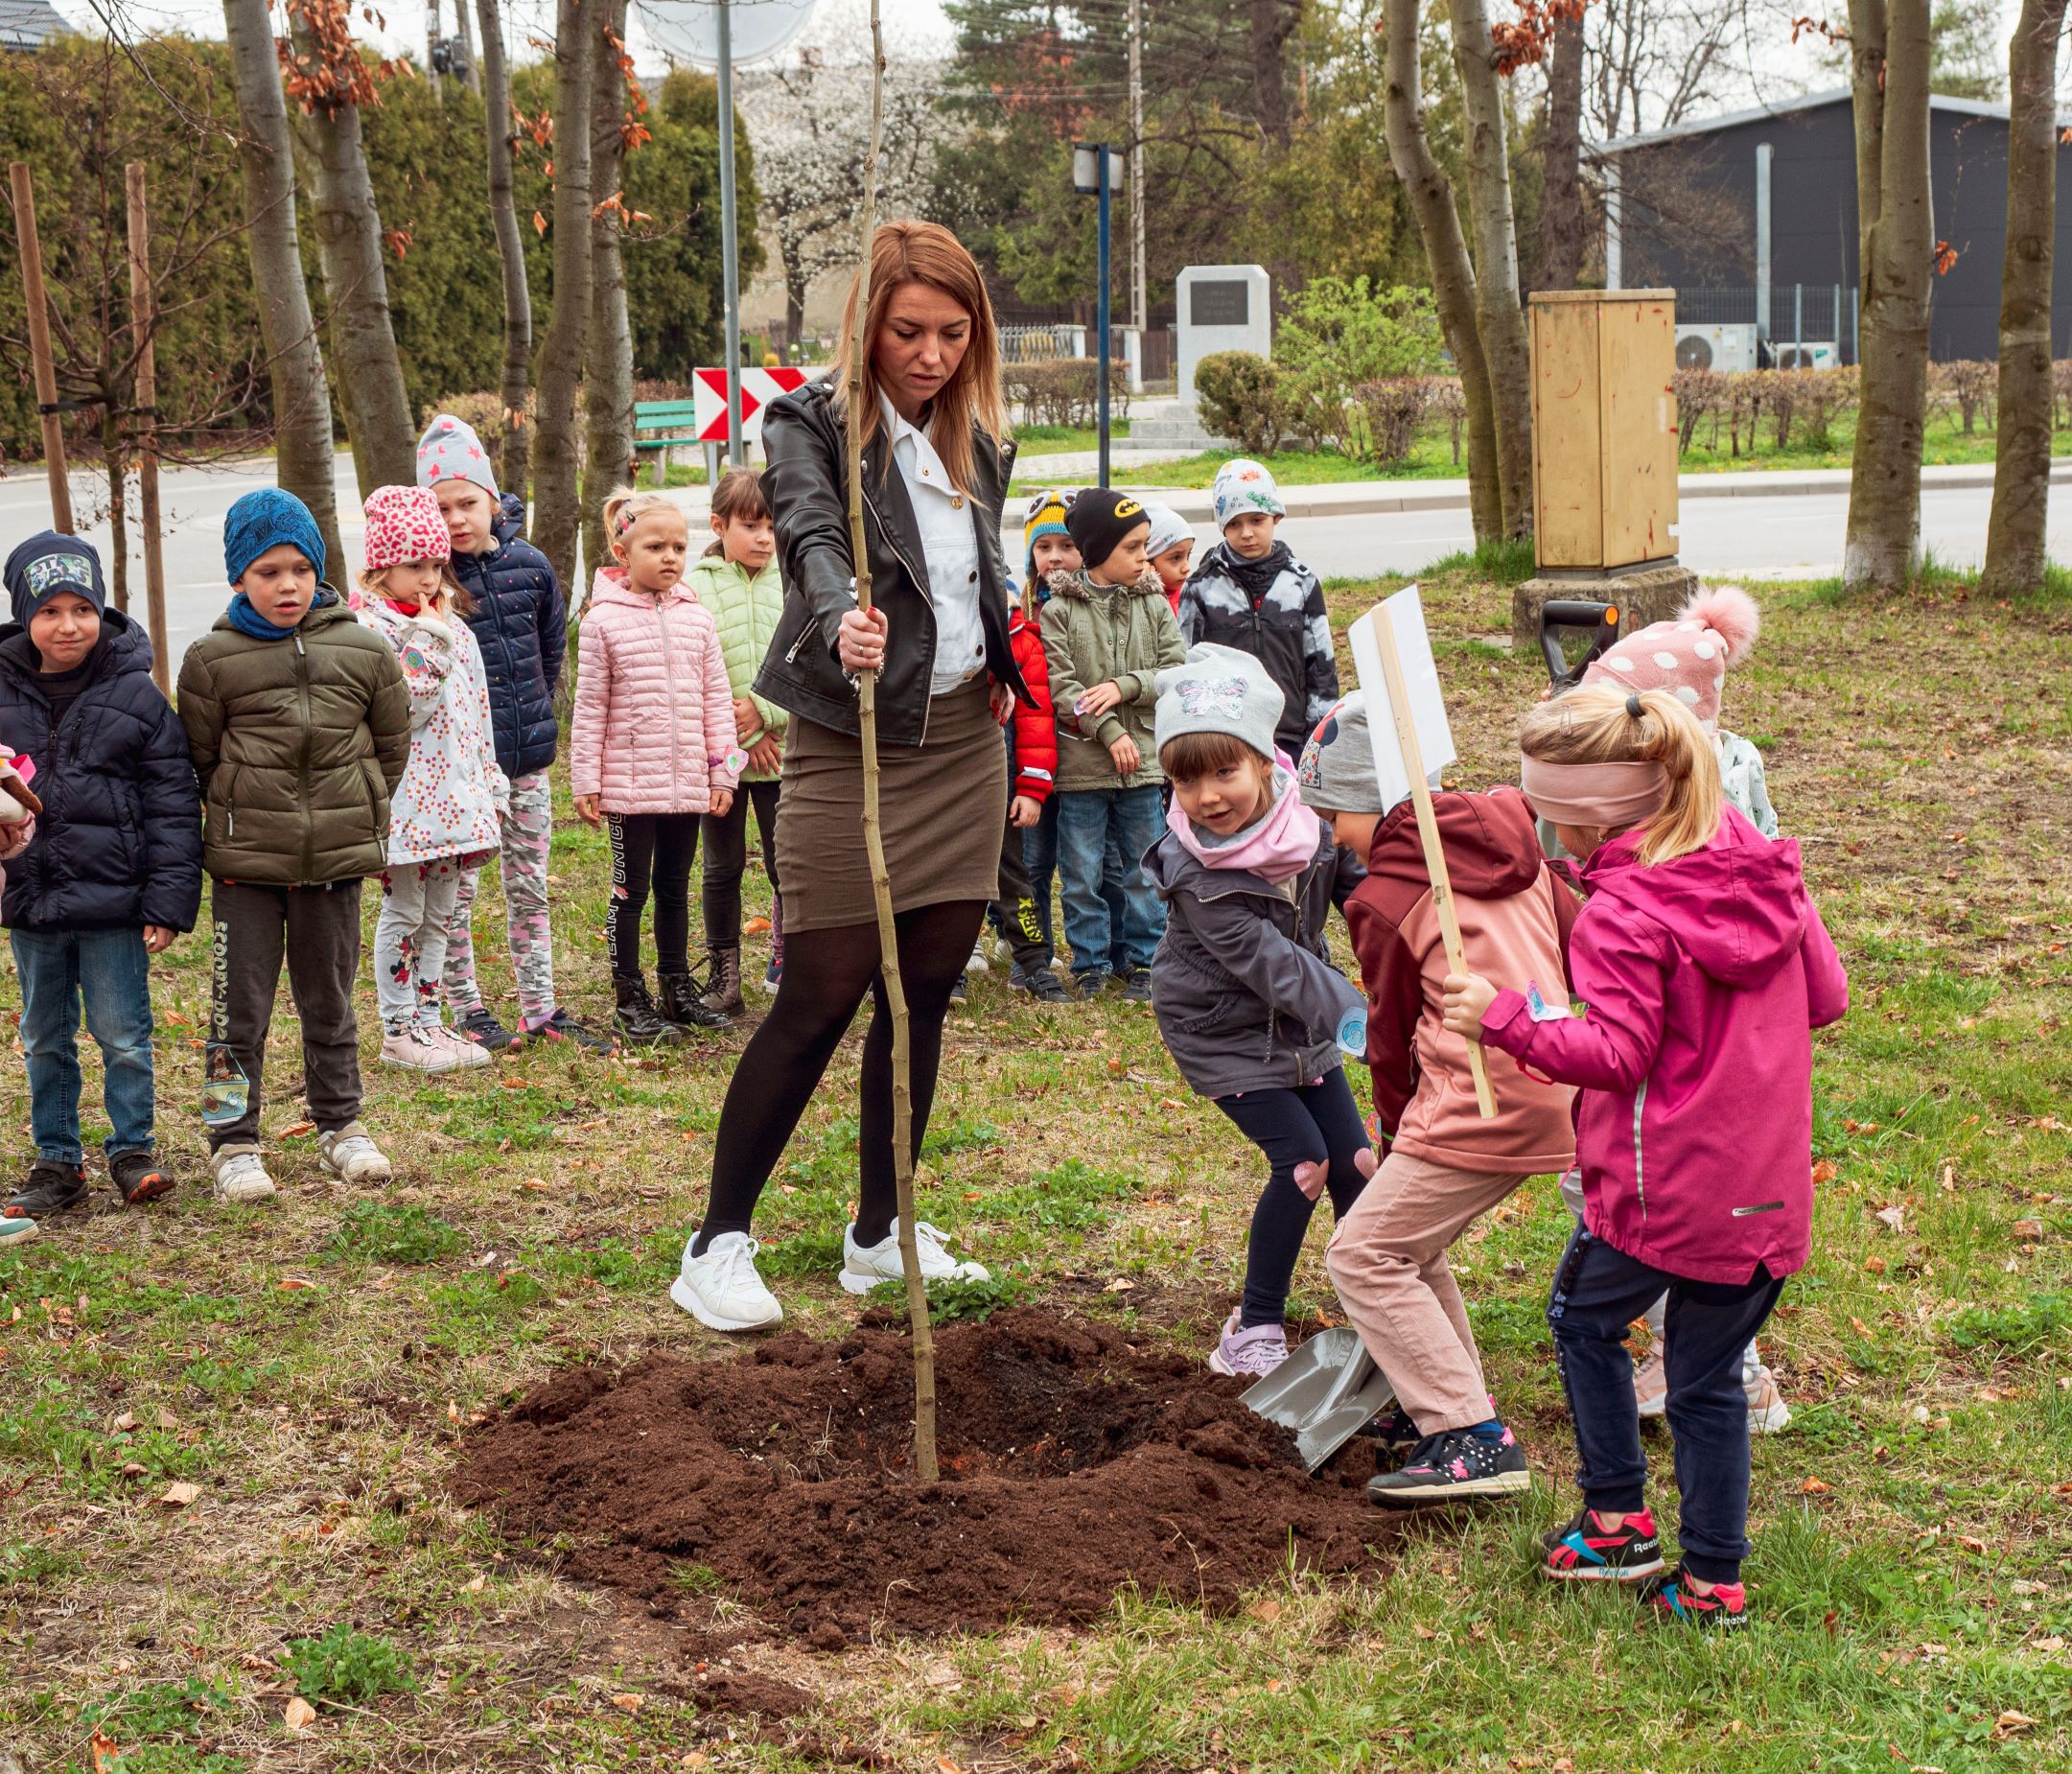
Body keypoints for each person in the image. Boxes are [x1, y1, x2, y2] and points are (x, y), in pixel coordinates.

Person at [670, 220, 1016, 1331]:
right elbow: (814, 530)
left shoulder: (978, 437)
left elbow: (978, 571)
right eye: (906, 330)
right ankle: (716, 1239)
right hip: (851, 740)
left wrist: (1004, 660)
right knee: (820, 988)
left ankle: (881, 1228)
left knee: (921, 996)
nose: (928, 354)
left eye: (952, 333)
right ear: (865, 322)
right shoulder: (810, 421)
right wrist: (836, 613)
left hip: (965, 739)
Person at [1443, 683, 1847, 1626]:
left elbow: (1615, 1054)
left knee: (1584, 1323)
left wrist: (1501, 1017)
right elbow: (1823, 994)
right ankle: (1711, 1578)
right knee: (1705, 1379)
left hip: (1664, 1193)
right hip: (1765, 1189)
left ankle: (1621, 1521)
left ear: (1581, 819)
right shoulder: (1760, 864)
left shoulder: (1623, 912)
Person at [1298, 692, 1579, 1506]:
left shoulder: (1386, 897)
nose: (1329, 833)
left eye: (1333, 813)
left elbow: (1387, 1037)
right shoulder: (1516, 848)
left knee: (1364, 1253)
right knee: (1407, 1248)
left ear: (1369, 799)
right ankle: (1452, 1407)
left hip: (1476, 1095)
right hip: (1555, 1068)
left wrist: (1394, 1129)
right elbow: (1574, 932)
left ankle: (1468, 1437)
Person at [1557, 585, 1787, 1431]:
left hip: (1670, 1007)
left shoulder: (1655, 800)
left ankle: (1713, 1371)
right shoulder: (1738, 762)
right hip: (1741, 1012)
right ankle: (1731, 1370)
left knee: (1639, 1204)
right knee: (1723, 1217)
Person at [1141, 643, 1372, 1377]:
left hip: (1300, 1024)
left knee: (1357, 1166)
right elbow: (1270, 964)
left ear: (1263, 761)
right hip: (1222, 1031)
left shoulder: (1310, 822)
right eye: (1184, 779)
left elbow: (1358, 890)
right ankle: (1254, 1327)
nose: (1206, 796)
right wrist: (1362, 1022)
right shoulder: (1193, 873)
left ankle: (1384, 1305)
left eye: (1222, 771)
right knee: (1304, 1163)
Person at [177, 489, 410, 1201]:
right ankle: (232, 1140)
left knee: (330, 1003)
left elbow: (389, 748)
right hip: (247, 872)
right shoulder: (212, 660)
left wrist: (349, 814)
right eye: (268, 572)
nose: (287, 585)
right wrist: (248, 818)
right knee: (233, 1014)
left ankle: (340, 1125)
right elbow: (203, 759)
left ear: (320, 570)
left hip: (333, 870)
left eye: (300, 569)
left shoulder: (366, 651)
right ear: (239, 579)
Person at [0, 535, 200, 1238]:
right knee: (45, 1035)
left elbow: (173, 803)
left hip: (115, 903)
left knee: (121, 1031)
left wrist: (168, 901)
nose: (67, 626)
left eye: (82, 608)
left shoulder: (136, 696)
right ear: (25, 615)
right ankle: (57, 1162)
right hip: (32, 901)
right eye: (49, 610)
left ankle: (131, 1150)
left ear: (102, 611)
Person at [419, 413, 607, 1054]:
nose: (454, 519)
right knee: (458, 890)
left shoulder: (530, 567)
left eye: (466, 502)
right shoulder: (430, 588)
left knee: (529, 886)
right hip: (462, 774)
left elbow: (551, 652)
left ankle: (540, 1006)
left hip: (526, 761)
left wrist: (531, 716)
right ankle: (465, 1006)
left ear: (492, 499)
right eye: (439, 508)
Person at [570, 488, 742, 1045]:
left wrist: (723, 771)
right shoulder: (603, 622)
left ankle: (675, 984)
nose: (670, 556)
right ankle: (629, 993)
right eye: (655, 546)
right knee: (630, 890)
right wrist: (587, 781)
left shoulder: (698, 619)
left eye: (678, 546)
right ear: (623, 554)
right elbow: (590, 706)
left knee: (675, 887)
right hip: (627, 790)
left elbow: (717, 700)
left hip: (687, 784)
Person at [354, 485, 506, 1075]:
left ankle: (428, 1016)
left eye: (435, 564)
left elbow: (477, 715)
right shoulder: (375, 632)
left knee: (443, 913)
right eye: (413, 564)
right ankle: (397, 1027)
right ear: (382, 567)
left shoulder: (455, 630)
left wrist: (491, 784)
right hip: (407, 806)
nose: (427, 577)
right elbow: (409, 705)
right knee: (404, 912)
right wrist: (432, 638)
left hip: (456, 801)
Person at [1039, 487, 1187, 1000]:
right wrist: (1108, 730)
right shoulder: (1058, 611)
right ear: (1099, 551)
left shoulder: (1153, 604)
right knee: (1080, 874)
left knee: (1144, 869)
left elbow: (1175, 670)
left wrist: (1127, 687)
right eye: (1132, 547)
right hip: (1081, 768)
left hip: (1143, 765)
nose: (1145, 556)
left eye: (1146, 544)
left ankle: (1146, 962)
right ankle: (1090, 965)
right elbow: (1062, 689)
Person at [690, 467, 786, 1015]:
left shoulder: (792, 580)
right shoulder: (694, 587)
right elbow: (690, 674)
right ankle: (724, 977)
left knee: (786, 866)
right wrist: (737, 740)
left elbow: (814, 664)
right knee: (721, 867)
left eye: (772, 525)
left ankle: (789, 961)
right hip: (719, 762)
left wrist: (769, 716)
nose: (764, 538)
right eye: (751, 525)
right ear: (719, 525)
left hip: (783, 755)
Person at [1177, 459, 1338, 763]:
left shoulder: (1301, 584)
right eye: (1234, 523)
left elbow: (1322, 668)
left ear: (1276, 516)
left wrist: (1320, 741)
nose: (1247, 533)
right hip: (1225, 738)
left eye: (1256, 519)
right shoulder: (1201, 588)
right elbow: (1183, 666)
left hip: (1290, 737)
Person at [990, 567, 1069, 1002]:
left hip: (1002, 785)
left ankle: (1034, 961)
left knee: (1015, 877)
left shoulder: (1023, 642)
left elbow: (1036, 721)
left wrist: (1031, 788)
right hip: (949, 784)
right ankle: (953, 966)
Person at [1142, 502, 1194, 613]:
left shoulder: (1189, 596)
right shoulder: (1137, 601)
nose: (1187, 568)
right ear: (1147, 560)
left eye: (1188, 555)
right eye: (1176, 558)